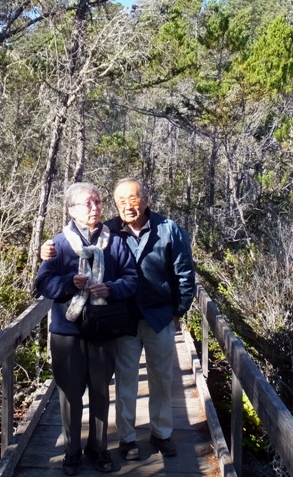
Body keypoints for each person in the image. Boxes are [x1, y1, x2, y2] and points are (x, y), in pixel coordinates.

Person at [42, 178, 195, 460]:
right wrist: (47, 250)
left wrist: (178, 313)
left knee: (162, 378)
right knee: (125, 380)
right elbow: (72, 245)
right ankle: (127, 439)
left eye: (133, 200)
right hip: (121, 318)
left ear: (146, 200)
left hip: (159, 317)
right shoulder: (110, 231)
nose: (128, 206)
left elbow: (185, 274)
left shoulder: (168, 229)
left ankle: (161, 433)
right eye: (121, 201)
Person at [35, 182, 137, 476]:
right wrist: (69, 284)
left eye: (97, 202)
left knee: (101, 391)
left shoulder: (115, 242)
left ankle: (98, 447)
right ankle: (71, 451)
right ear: (71, 211)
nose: (95, 208)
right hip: (68, 331)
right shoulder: (59, 244)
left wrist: (111, 289)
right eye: (87, 203)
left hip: (104, 328)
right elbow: (44, 284)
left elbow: (132, 278)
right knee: (70, 393)